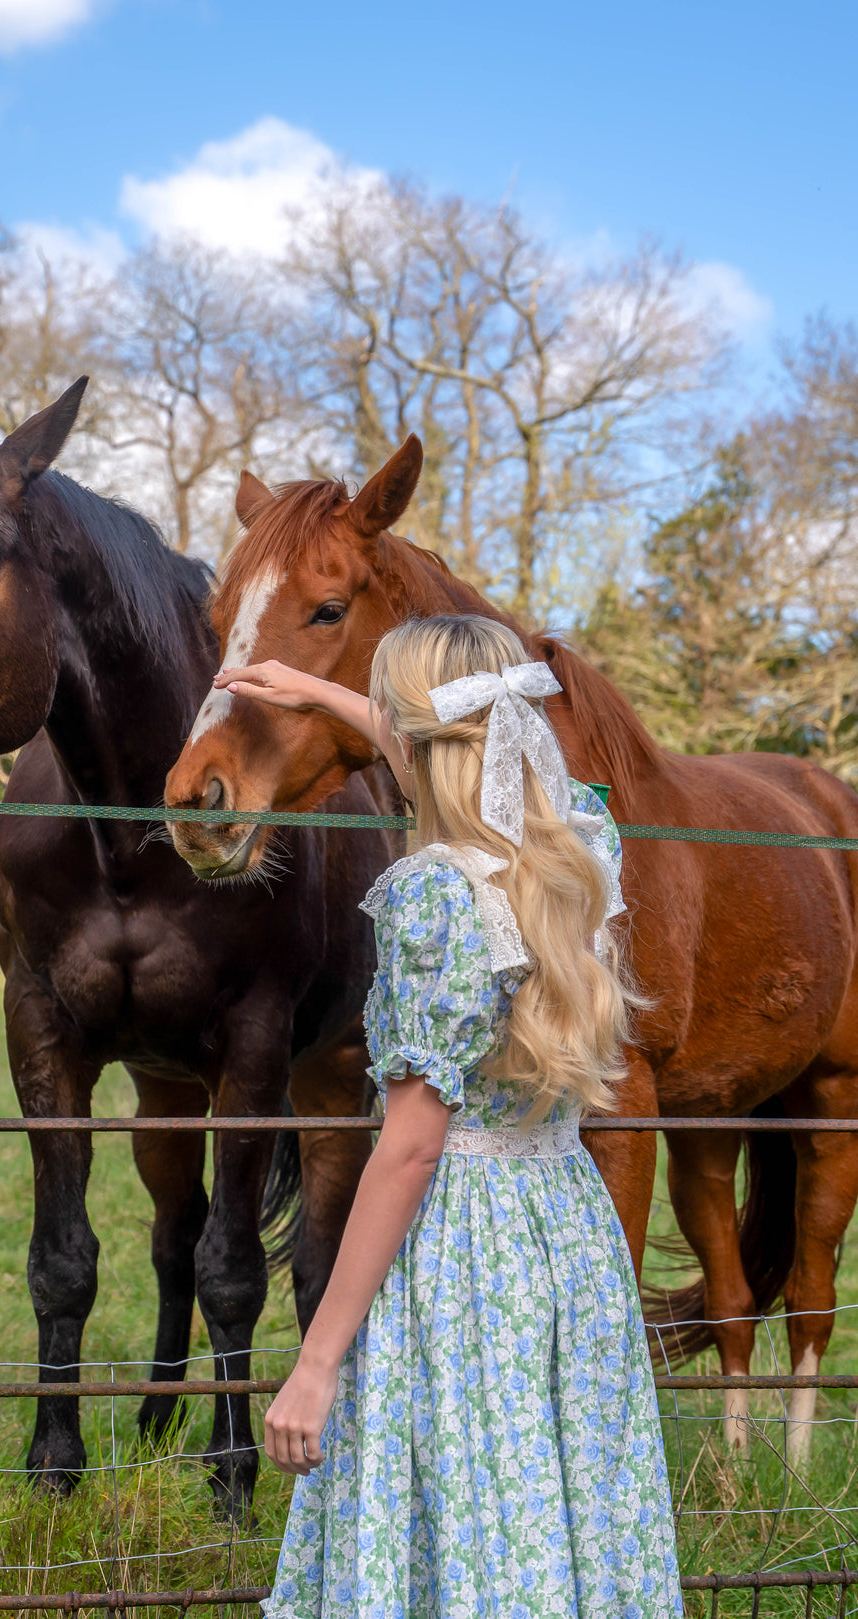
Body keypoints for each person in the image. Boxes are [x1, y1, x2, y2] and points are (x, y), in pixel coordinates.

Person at [213, 613, 682, 1619]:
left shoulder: (434, 897)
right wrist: (325, 692)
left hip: (464, 1251)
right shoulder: (580, 839)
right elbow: (453, 753)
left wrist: (315, 1359)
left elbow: (412, 1147)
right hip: (565, 1223)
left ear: (415, 732)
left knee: (463, 1496)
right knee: (553, 1498)